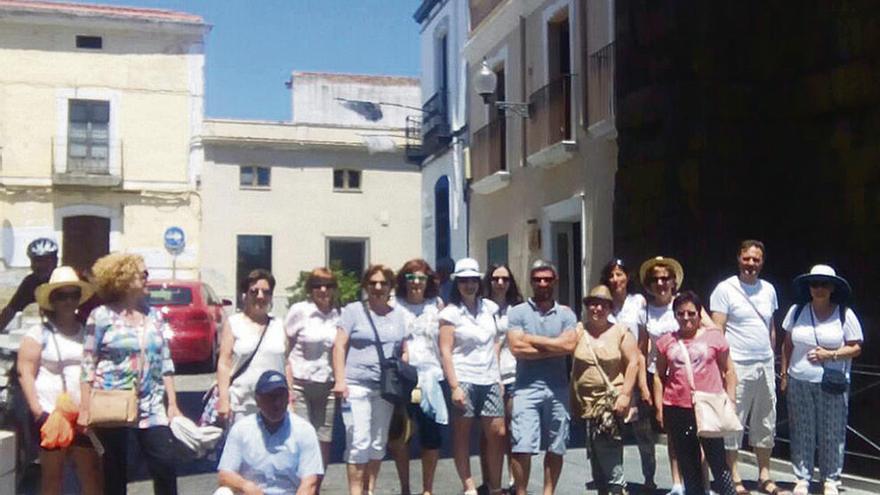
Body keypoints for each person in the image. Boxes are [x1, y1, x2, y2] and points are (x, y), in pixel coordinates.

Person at [78, 253, 181, 494]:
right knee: (115, 474)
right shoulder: (101, 316)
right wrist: (85, 408)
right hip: (113, 404)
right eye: (142, 274)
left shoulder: (154, 315)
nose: (147, 278)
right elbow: (88, 363)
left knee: (165, 465)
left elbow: (165, 361)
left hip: (152, 406)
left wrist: (173, 404)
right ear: (123, 278)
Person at [16, 266, 101, 494]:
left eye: (73, 294)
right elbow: (25, 371)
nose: (68, 300)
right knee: (53, 477)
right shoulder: (38, 333)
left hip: (82, 415)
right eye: (62, 295)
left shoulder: (87, 331)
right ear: (52, 299)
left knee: (91, 474)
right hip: (51, 414)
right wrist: (37, 411)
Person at [780, 265, 863, 495]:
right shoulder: (797, 312)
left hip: (832, 382)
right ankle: (802, 478)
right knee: (801, 430)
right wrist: (784, 374)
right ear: (809, 287)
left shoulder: (844, 314)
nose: (819, 288)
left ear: (832, 287)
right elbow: (787, 344)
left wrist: (831, 354)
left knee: (832, 431)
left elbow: (856, 347)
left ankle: (831, 479)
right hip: (799, 379)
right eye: (815, 284)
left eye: (824, 284)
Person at [709, 240, 780, 495]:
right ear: (739, 259)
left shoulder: (769, 290)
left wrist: (773, 359)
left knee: (765, 421)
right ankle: (734, 476)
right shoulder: (725, 289)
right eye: (747, 259)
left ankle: (765, 475)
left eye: (756, 260)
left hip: (765, 364)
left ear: (762, 262)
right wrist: (722, 369)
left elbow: (770, 326)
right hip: (737, 364)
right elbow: (718, 330)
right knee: (733, 422)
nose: (751, 264)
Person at [332, 264, 408, 495]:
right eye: (373, 283)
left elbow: (403, 349)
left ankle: (369, 489)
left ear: (390, 287)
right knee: (359, 440)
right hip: (356, 385)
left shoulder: (398, 316)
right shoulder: (353, 311)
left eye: (383, 283)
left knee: (377, 442)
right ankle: (356, 491)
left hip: (385, 388)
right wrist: (340, 380)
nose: (378, 287)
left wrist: (403, 372)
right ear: (366, 286)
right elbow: (339, 346)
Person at [654, 291, 737, 495]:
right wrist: (659, 407)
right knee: (688, 462)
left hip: (709, 405)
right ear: (675, 315)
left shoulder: (714, 337)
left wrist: (731, 400)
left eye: (691, 313)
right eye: (680, 313)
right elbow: (658, 375)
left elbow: (729, 370)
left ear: (699, 314)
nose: (686, 318)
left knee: (717, 460)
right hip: (677, 406)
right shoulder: (666, 341)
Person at [507, 260, 578, 495]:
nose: (542, 283)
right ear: (531, 282)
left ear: (554, 281)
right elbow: (517, 349)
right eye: (538, 279)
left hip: (558, 388)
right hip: (526, 389)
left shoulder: (566, 314)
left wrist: (534, 340)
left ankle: (549, 492)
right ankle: (521, 491)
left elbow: (570, 346)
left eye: (547, 279)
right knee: (522, 444)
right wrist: (555, 346)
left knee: (557, 445)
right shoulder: (518, 312)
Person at [438, 258, 505, 495]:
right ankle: (468, 486)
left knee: (497, 433)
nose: (469, 285)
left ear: (479, 282)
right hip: (464, 378)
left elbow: (496, 342)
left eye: (473, 280)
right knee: (462, 434)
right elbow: (445, 350)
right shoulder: (450, 313)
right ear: (457, 283)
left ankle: (495, 486)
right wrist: (454, 386)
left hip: (489, 378)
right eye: (464, 281)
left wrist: (497, 376)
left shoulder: (490, 308)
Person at [571, 285, 640, 495]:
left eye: (602, 305)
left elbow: (634, 362)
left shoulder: (620, 331)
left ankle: (618, 490)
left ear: (610, 308)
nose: (597, 308)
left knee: (610, 456)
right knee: (596, 461)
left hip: (610, 405)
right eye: (593, 304)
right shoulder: (579, 331)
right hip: (586, 405)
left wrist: (626, 395)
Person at [215, 370, 323, 495]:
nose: (276, 403)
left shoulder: (304, 430)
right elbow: (224, 475)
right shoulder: (241, 429)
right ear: (257, 399)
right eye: (271, 397)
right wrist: (245, 486)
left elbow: (310, 482)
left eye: (281, 396)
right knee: (223, 492)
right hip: (254, 493)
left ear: (288, 397)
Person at [389, 258, 445, 495]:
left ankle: (427, 489)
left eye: (421, 278)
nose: (416, 283)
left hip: (432, 377)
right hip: (405, 376)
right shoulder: (394, 305)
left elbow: (445, 341)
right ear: (404, 280)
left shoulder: (437, 304)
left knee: (431, 436)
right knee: (401, 435)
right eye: (411, 278)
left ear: (427, 281)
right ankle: (405, 488)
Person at [600, 258, 656, 491]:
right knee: (613, 432)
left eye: (620, 274)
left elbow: (644, 338)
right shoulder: (604, 304)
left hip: (636, 372)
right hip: (611, 377)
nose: (616, 280)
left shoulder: (638, 302)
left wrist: (640, 371)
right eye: (612, 275)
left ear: (627, 277)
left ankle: (649, 479)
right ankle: (616, 480)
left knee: (643, 432)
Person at [637, 256, 688, 495]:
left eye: (665, 278)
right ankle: (677, 481)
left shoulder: (684, 303)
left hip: (684, 374)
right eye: (655, 279)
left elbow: (709, 330)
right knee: (669, 431)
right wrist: (643, 386)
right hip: (657, 375)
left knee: (693, 430)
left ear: (673, 281)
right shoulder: (645, 310)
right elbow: (641, 348)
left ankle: (697, 480)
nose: (661, 283)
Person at [285, 267, 340, 472]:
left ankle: (315, 487)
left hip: (328, 387)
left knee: (324, 441)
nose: (323, 289)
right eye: (317, 285)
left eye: (328, 285)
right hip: (301, 385)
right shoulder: (299, 311)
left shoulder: (338, 314)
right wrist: (288, 387)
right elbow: (285, 351)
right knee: (303, 440)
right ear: (310, 289)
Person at [217, 269, 287, 426]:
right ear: (245, 295)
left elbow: (287, 363)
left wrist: (290, 400)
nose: (260, 296)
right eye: (254, 291)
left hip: (275, 406)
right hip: (242, 406)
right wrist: (223, 399)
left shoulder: (279, 325)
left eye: (266, 292)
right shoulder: (234, 323)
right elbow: (224, 362)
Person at [480, 263, 523, 494]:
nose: (500, 283)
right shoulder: (481, 307)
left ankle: (513, 479)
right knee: (491, 433)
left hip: (513, 373)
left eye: (505, 279)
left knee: (512, 429)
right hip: (487, 375)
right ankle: (490, 480)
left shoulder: (517, 308)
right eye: (496, 278)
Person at [0, 237, 58, 332]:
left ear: (55, 261)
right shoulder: (31, 283)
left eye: (47, 260)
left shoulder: (63, 278)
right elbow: (10, 311)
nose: (42, 265)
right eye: (37, 260)